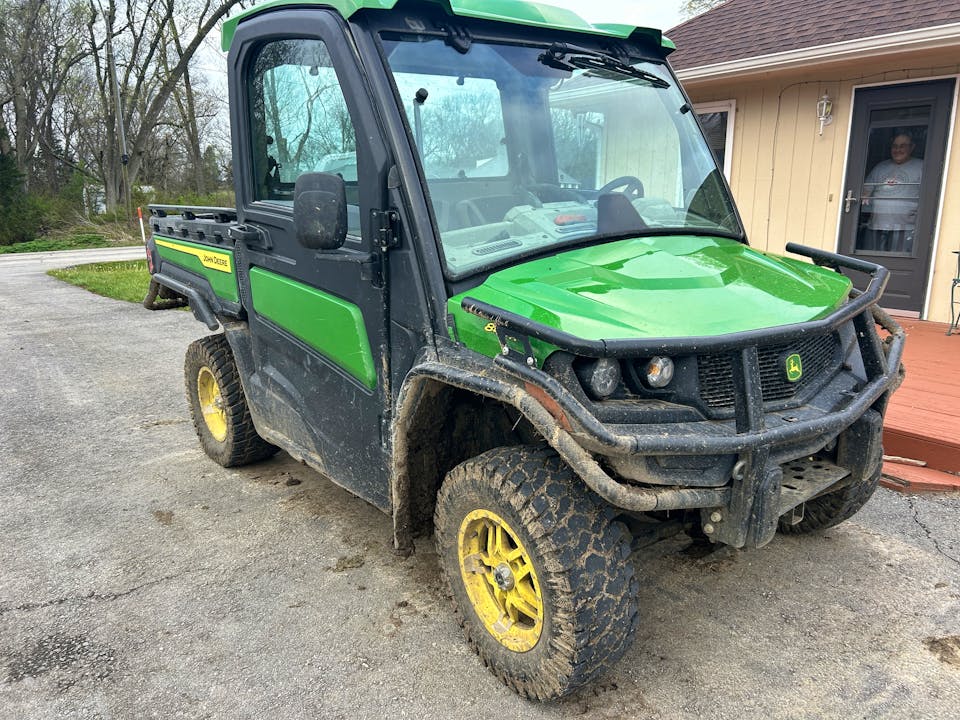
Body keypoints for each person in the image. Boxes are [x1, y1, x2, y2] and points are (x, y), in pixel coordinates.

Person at [861, 133, 923, 252]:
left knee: (899, 261)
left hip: (905, 227)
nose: (898, 150)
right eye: (895, 146)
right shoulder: (881, 167)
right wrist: (865, 196)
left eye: (902, 146)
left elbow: (928, 195)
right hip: (877, 225)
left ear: (912, 147)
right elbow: (866, 190)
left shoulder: (921, 167)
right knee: (872, 260)